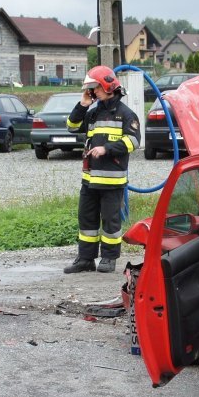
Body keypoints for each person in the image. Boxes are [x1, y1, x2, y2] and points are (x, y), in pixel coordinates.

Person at [63, 65, 141, 274]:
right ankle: (86, 259)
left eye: (95, 88)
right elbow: (71, 126)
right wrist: (82, 105)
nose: (93, 92)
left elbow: (133, 141)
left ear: (107, 87)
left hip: (112, 181)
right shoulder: (93, 112)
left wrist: (106, 149)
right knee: (86, 220)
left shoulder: (126, 114)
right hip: (89, 181)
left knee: (110, 221)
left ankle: (109, 258)